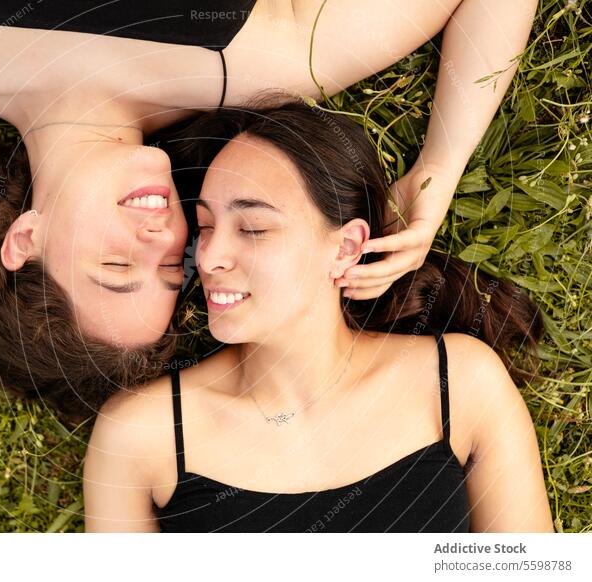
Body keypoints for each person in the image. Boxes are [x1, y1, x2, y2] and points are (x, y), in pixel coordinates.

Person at [0, 0, 538, 421]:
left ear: (25, 237)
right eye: (170, 263)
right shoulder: (275, 61)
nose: (160, 235)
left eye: (119, 265)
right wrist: (441, 164)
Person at [82, 99, 555, 532]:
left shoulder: (460, 384)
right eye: (205, 226)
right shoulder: (139, 437)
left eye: (252, 228)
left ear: (345, 248)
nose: (206, 259)